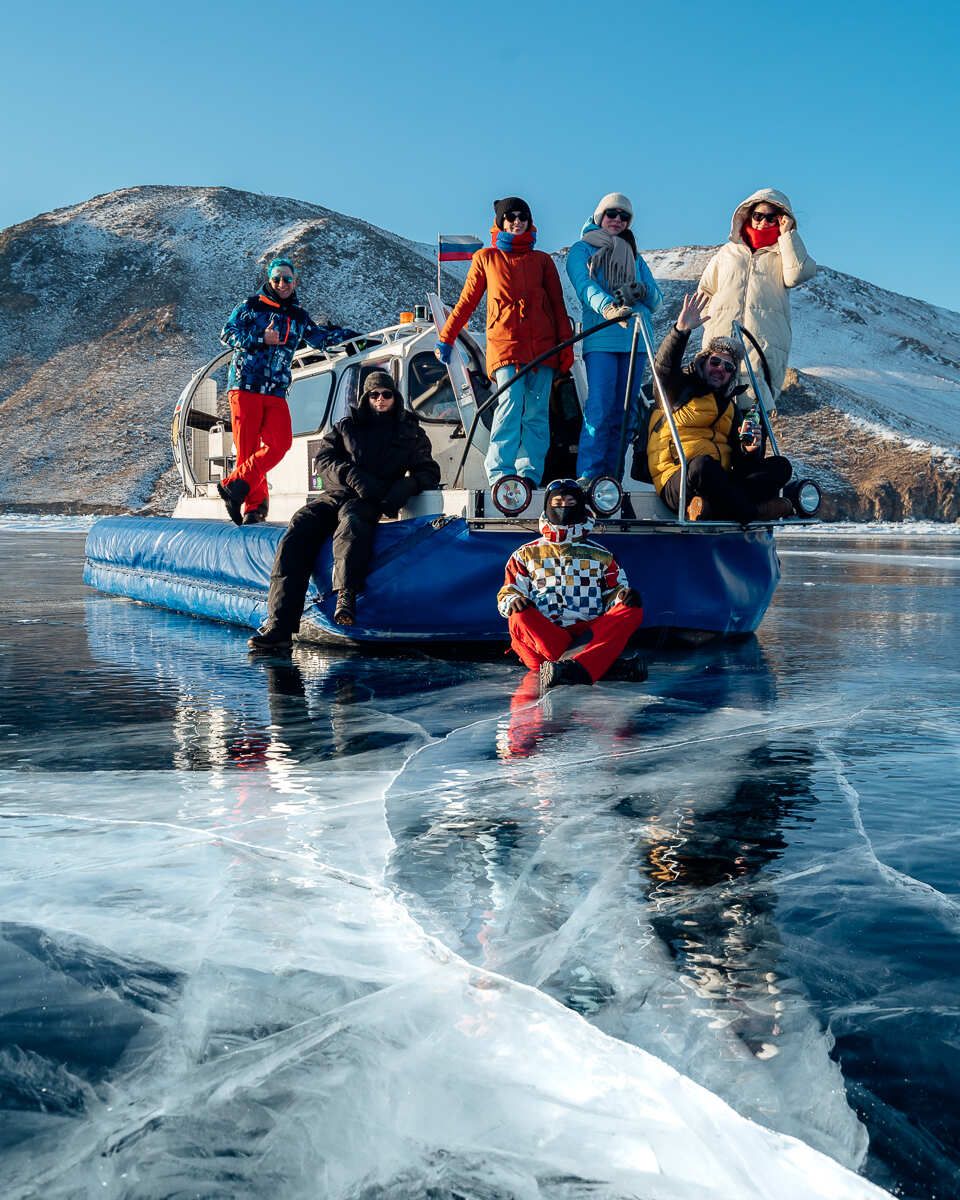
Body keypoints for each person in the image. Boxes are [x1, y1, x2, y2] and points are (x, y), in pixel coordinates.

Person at [248, 372, 441, 651]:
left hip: (370, 498)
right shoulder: (347, 426)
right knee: (300, 525)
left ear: (395, 398)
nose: (380, 400)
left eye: (386, 394)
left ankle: (346, 596)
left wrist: (404, 487)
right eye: (374, 395)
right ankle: (280, 625)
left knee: (352, 524)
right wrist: (350, 475)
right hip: (338, 493)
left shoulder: (410, 432)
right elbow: (324, 459)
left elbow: (428, 470)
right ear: (366, 398)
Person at [435, 197, 573, 486]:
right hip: (506, 347)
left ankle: (529, 475)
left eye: (522, 217)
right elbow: (466, 303)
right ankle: (500, 474)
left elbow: (558, 306)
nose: (517, 222)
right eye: (510, 217)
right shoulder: (486, 258)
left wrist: (566, 347)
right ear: (500, 222)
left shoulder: (543, 261)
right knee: (509, 405)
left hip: (543, 349)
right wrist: (446, 337)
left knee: (536, 414)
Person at [218, 257, 358, 525]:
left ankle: (234, 485)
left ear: (295, 282)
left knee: (280, 443)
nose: (282, 283)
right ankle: (254, 509)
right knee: (247, 449)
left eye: (287, 279)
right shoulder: (251, 306)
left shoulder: (298, 316)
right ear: (269, 280)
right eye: (277, 279)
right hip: (245, 386)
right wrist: (261, 338)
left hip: (276, 389)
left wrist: (353, 336)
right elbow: (227, 334)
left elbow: (319, 338)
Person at [647, 292, 793, 523]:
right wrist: (680, 331)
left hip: (717, 482)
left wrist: (749, 450)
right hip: (678, 478)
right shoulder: (677, 390)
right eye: (715, 361)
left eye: (728, 367)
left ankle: (709, 509)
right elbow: (663, 369)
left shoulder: (730, 409)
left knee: (781, 466)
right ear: (703, 361)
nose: (720, 369)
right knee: (703, 465)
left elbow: (742, 465)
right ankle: (752, 512)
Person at [497, 479, 644, 692]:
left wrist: (623, 597)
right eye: (557, 502)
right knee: (518, 617)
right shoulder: (524, 554)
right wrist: (514, 600)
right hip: (544, 635)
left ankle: (570, 668)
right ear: (547, 506)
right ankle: (599, 666)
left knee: (632, 609)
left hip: (586, 633)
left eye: (570, 502)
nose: (563, 507)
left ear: (580, 506)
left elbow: (614, 592)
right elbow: (507, 593)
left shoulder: (602, 555)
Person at [566, 192, 663, 479]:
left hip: (635, 340)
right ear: (600, 216)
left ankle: (611, 482)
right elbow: (584, 286)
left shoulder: (633, 254)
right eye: (612, 214)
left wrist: (642, 291)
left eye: (624, 217)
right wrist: (608, 307)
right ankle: (589, 478)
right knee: (600, 408)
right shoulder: (582, 250)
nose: (617, 220)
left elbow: (656, 301)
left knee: (625, 414)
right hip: (602, 339)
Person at [698, 188, 816, 411]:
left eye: (771, 218)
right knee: (712, 408)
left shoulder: (784, 254)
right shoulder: (727, 252)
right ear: (748, 215)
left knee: (752, 409)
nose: (763, 222)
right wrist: (711, 323)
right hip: (720, 339)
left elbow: (797, 274)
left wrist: (787, 235)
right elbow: (706, 290)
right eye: (758, 215)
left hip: (763, 341)